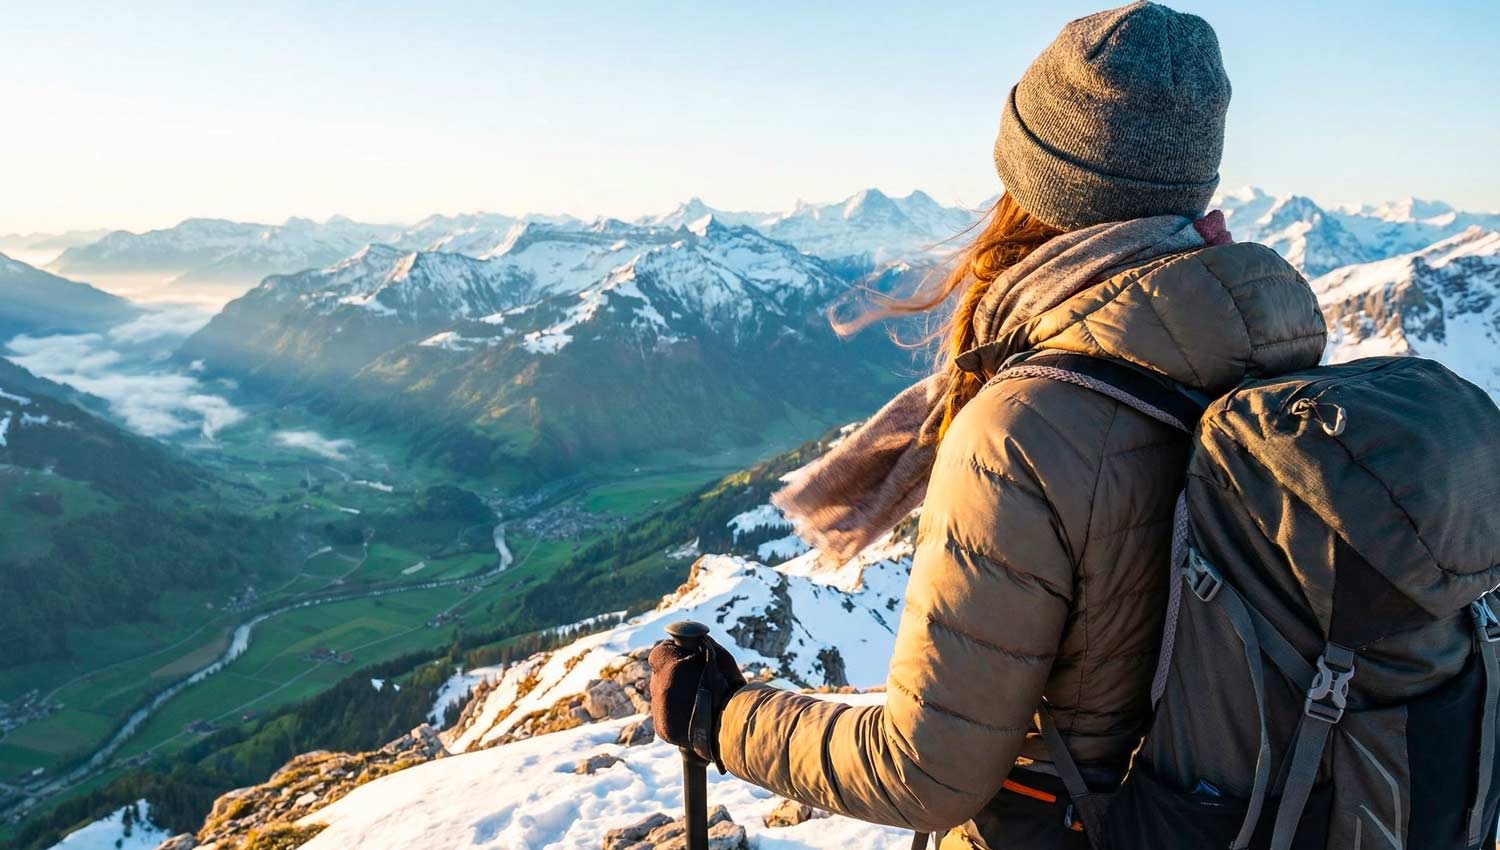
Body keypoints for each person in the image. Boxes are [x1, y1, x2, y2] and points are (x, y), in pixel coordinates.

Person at [649, 2, 1328, 848]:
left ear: (1032, 182)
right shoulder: (1280, 365)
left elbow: (923, 770)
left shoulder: (1023, 428)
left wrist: (720, 716)